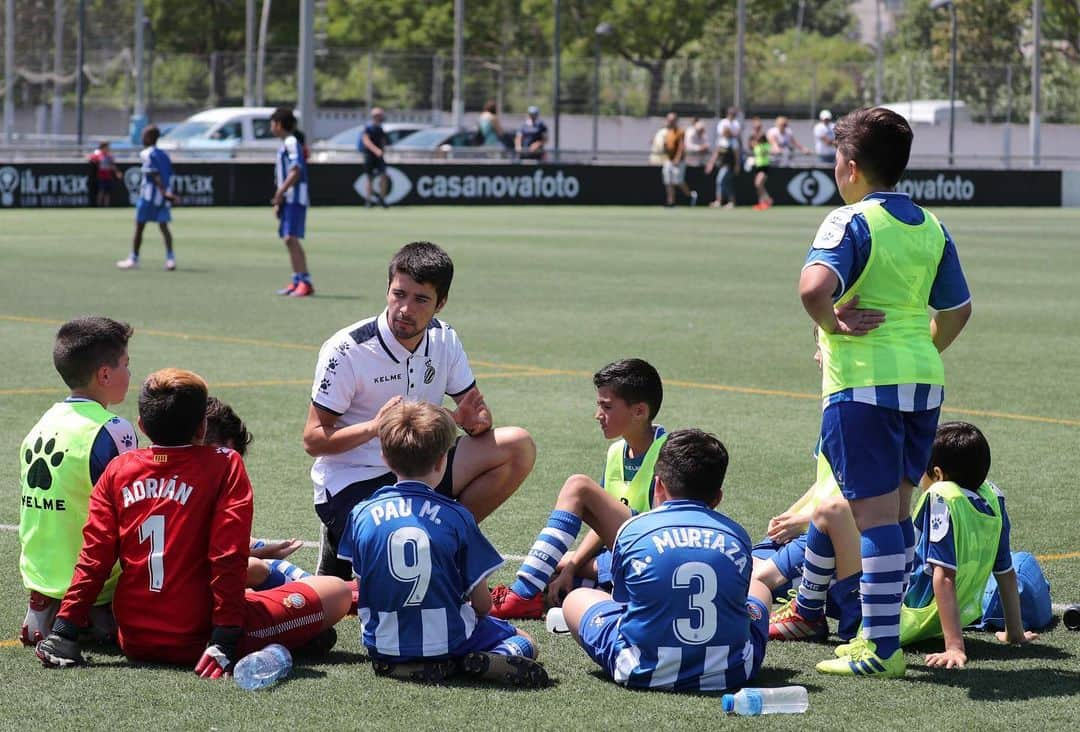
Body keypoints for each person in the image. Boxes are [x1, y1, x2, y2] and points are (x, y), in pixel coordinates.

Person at [796, 106, 973, 678]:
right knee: (897, 512)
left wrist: (831, 324)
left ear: (849, 167)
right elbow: (957, 309)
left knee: (873, 516)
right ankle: (882, 636)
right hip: (922, 379)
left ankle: (880, 650)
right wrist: (921, 349)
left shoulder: (849, 222)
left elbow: (813, 289)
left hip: (864, 384)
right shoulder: (931, 225)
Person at [34, 369, 352, 677]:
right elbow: (227, 556)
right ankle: (303, 630)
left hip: (134, 638)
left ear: (142, 426)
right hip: (203, 636)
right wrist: (225, 638)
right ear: (201, 427)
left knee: (263, 592)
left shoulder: (119, 468)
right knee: (336, 590)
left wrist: (65, 630)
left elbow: (95, 557)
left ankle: (301, 633)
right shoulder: (224, 465)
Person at [303, 241, 536, 580]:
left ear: (440, 303)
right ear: (387, 289)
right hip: (355, 477)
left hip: (423, 469)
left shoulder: (445, 339)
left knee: (518, 446)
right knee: (395, 568)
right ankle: (339, 539)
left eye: (420, 299)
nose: (404, 309)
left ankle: (443, 542)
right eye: (398, 294)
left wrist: (477, 422)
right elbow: (313, 439)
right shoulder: (347, 349)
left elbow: (474, 410)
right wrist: (375, 427)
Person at [773, 423, 1038, 673]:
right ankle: (805, 607)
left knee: (828, 513)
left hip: (884, 617)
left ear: (937, 474)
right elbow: (1004, 569)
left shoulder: (942, 497)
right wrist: (1014, 631)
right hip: (930, 620)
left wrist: (954, 647)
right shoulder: (993, 497)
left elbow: (944, 577)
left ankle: (806, 614)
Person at [337, 400, 548, 686]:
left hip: (383, 643)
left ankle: (401, 663)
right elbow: (483, 606)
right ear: (441, 460)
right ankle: (480, 659)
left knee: (395, 630)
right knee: (525, 641)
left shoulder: (361, 514)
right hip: (449, 638)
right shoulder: (458, 517)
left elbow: (365, 588)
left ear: (385, 458)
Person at [561, 429, 774, 692]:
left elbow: (624, 604)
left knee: (575, 600)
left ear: (659, 485)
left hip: (641, 669)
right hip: (732, 672)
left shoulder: (633, 529)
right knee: (760, 588)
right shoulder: (737, 535)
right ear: (717, 497)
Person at [488, 358, 667, 619]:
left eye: (606, 407)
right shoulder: (617, 451)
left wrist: (586, 564)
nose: (598, 415)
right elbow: (606, 522)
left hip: (652, 563)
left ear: (639, 411)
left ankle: (523, 596)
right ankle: (574, 591)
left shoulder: (668, 454)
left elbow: (664, 539)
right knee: (554, 566)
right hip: (623, 554)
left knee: (578, 486)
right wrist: (573, 565)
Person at [19, 317, 139, 647]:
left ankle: (46, 604)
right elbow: (132, 509)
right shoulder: (114, 428)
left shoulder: (41, 424)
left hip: (40, 571)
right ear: (104, 374)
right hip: (90, 578)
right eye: (126, 364)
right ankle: (94, 613)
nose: (130, 374)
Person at [202, 396, 313, 591]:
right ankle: (315, 594)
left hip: (165, 589)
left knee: (255, 553)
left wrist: (262, 550)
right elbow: (222, 563)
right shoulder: (195, 489)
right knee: (257, 569)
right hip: (191, 603)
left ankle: (314, 586)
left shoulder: (160, 474)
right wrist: (260, 555)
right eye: (228, 456)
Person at [116, 125, 179, 271]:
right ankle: (170, 259)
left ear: (150, 137)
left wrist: (163, 192)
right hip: (162, 197)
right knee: (164, 227)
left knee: (139, 226)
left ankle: (134, 258)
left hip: (150, 196)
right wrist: (168, 193)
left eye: (144, 135)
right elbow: (168, 175)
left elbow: (154, 174)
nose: (142, 138)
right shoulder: (164, 154)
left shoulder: (146, 154)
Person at [270, 107, 314, 298]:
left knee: (291, 238)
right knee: (288, 239)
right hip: (288, 199)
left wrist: (280, 193)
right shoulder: (286, 143)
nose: (271, 127)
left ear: (279, 124)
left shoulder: (291, 142)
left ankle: (305, 281)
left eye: (272, 123)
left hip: (295, 197)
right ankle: (297, 280)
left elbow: (296, 170)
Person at [706, 109, 742, 209]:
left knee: (721, 180)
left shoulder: (733, 142)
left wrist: (737, 165)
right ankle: (727, 201)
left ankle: (724, 201)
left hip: (729, 166)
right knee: (725, 182)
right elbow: (716, 153)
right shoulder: (721, 141)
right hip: (722, 164)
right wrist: (711, 164)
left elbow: (736, 155)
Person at [661, 112, 697, 207]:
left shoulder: (680, 132)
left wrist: (677, 158)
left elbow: (681, 146)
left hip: (679, 161)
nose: (670, 122)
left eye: (672, 120)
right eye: (669, 120)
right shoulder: (667, 132)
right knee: (668, 182)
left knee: (678, 181)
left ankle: (691, 195)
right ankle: (670, 202)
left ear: (676, 121)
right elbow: (666, 147)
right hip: (669, 160)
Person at [360, 107, 390, 208]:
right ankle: (368, 201)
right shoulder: (368, 127)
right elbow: (366, 141)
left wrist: (382, 151)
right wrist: (376, 150)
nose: (381, 117)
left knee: (384, 176)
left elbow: (383, 142)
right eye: (379, 115)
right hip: (370, 156)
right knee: (369, 178)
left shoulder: (380, 128)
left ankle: (382, 199)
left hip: (379, 156)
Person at [747, 118, 773, 210]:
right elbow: (750, 146)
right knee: (758, 185)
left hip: (764, 166)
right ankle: (763, 202)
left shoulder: (765, 145)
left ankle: (766, 200)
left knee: (758, 184)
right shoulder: (756, 144)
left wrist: (756, 143)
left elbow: (764, 152)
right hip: (758, 166)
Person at [88, 141, 121, 207]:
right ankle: (99, 205)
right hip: (101, 176)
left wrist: (117, 172)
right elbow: (91, 159)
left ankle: (106, 206)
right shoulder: (98, 154)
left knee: (107, 193)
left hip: (108, 176)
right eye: (107, 147)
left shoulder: (109, 156)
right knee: (101, 191)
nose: (108, 148)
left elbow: (112, 165)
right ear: (103, 147)